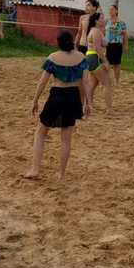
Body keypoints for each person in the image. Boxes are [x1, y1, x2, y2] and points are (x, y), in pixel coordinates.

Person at [24, 30, 90, 180]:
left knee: (41, 132)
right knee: (66, 138)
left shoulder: (53, 57)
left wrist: (35, 100)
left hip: (57, 95)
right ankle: (61, 174)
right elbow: (86, 82)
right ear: (73, 41)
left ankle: (35, 169)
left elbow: (42, 82)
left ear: (58, 42)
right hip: (73, 96)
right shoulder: (81, 58)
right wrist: (88, 102)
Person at [85, 10, 113, 114]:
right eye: (101, 18)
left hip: (90, 57)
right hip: (95, 58)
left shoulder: (95, 30)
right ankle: (109, 109)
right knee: (107, 83)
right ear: (96, 21)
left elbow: (101, 44)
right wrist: (105, 61)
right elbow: (97, 48)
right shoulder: (96, 31)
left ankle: (89, 105)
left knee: (93, 83)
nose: (103, 20)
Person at [105, 4, 128, 83]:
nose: (110, 11)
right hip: (108, 44)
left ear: (116, 11)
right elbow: (102, 32)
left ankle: (117, 80)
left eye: (112, 9)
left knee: (117, 63)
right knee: (107, 62)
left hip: (118, 45)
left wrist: (125, 45)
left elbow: (125, 35)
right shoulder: (106, 21)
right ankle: (107, 80)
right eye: (109, 9)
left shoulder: (122, 23)